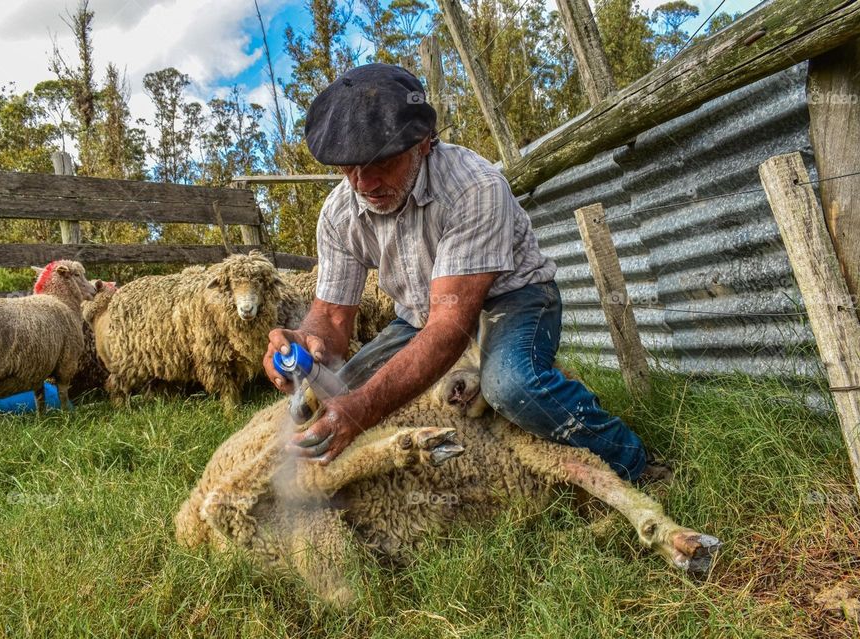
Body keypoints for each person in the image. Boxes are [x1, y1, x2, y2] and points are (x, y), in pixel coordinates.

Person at [263, 63, 657, 481]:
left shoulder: (475, 186)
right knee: (337, 390)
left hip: (513, 300)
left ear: (425, 143)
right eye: (348, 166)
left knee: (511, 386)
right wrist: (309, 343)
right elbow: (333, 316)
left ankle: (633, 460)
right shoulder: (339, 213)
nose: (364, 182)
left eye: (382, 161)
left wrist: (364, 409)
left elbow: (451, 327)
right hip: (419, 315)